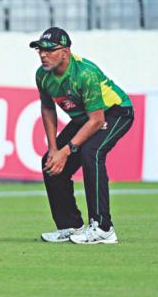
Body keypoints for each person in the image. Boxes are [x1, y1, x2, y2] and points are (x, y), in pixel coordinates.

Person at [31, 27, 134, 244]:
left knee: (91, 152)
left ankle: (103, 228)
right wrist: (53, 149)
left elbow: (97, 120)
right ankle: (70, 226)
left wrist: (66, 151)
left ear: (65, 52)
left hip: (115, 112)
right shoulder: (42, 76)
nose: (43, 54)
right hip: (84, 119)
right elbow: (48, 108)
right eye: (40, 50)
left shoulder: (84, 73)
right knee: (49, 162)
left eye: (50, 50)